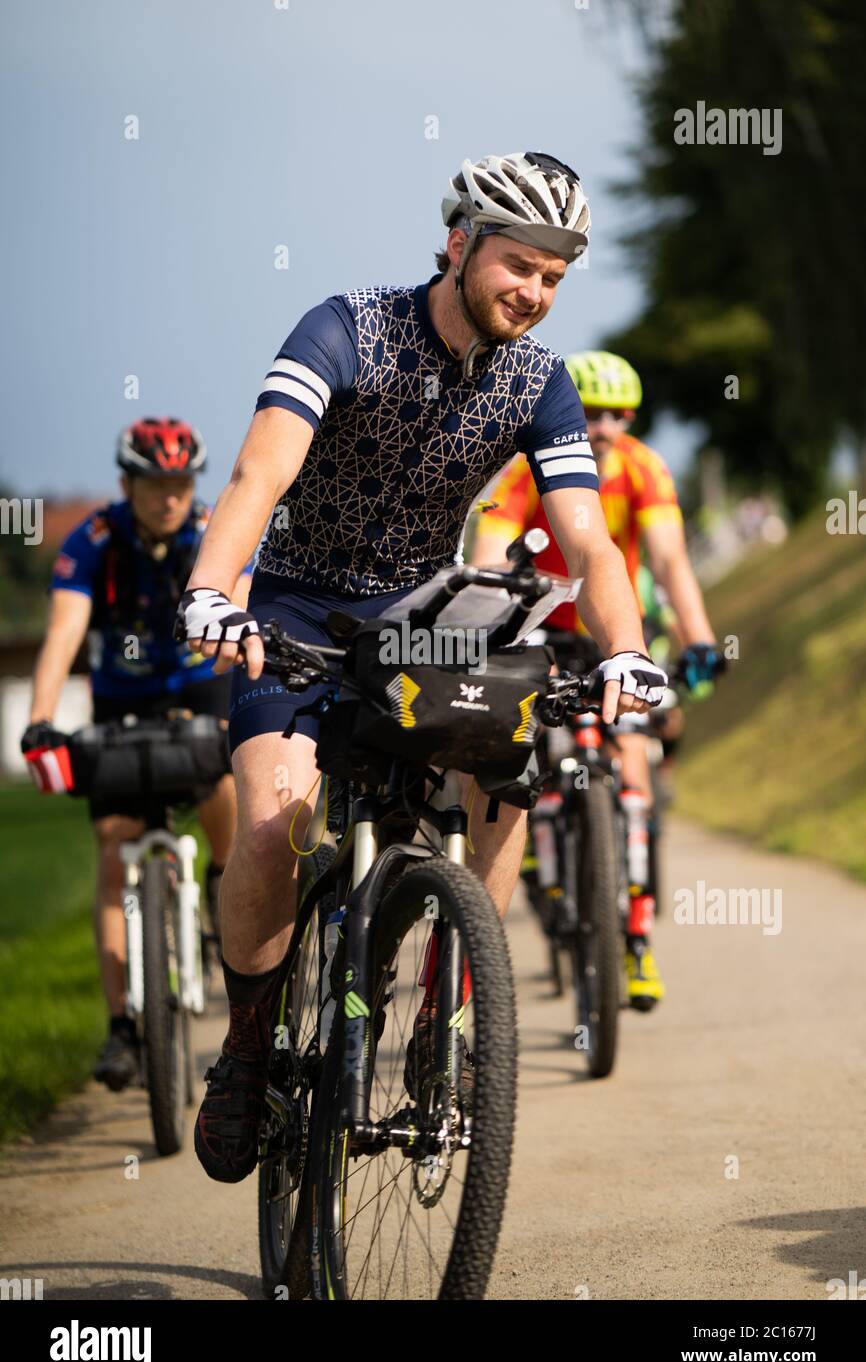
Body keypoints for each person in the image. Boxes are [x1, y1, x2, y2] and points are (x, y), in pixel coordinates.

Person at [173, 151, 668, 1184]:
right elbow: (258, 473)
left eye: (552, 277)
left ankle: (448, 1007)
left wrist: (627, 652)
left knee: (507, 767)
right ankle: (251, 1046)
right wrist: (213, 591)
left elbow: (589, 544)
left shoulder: (539, 381)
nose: (530, 293)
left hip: (419, 616)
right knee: (271, 828)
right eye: (516, 264)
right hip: (296, 608)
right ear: (458, 244)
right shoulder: (346, 327)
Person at [472, 351, 722, 1007]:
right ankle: (533, 835)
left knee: (633, 773)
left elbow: (669, 560)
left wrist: (697, 638)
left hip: (611, 629)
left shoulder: (644, 468)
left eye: (616, 413)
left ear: (630, 418)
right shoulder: (528, 468)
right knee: (523, 744)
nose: (602, 425)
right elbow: (488, 552)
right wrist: (482, 625)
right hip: (539, 626)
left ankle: (636, 939)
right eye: (588, 411)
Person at [21, 418, 249, 1090]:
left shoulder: (213, 527)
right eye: (155, 484)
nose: (169, 496)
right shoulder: (94, 541)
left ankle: (220, 892)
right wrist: (39, 721)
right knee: (114, 853)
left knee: (226, 796)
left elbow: (238, 604)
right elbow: (64, 631)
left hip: (201, 688)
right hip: (121, 701)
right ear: (127, 485)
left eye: (180, 482)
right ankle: (121, 1027)